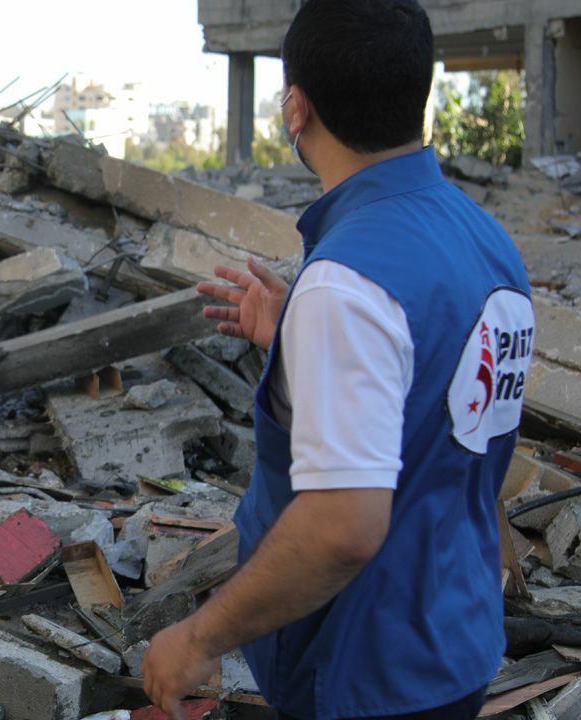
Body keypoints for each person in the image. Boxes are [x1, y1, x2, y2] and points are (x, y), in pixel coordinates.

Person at [141, 1, 534, 718]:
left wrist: (199, 637)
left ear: (296, 109)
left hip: (365, 671)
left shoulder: (348, 285)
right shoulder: (486, 240)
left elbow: (343, 527)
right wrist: (301, 344)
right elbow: (440, 405)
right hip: (459, 639)